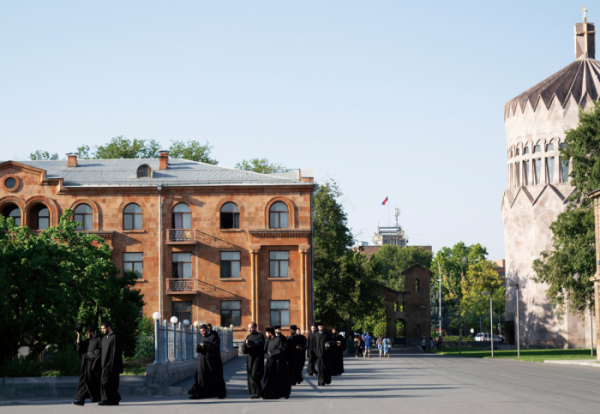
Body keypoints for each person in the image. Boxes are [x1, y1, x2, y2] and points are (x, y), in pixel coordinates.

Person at [189, 324, 227, 400]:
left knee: (216, 376)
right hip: (202, 361)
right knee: (200, 376)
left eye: (203, 331)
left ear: (207, 330)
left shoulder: (213, 336)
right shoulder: (203, 337)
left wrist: (205, 345)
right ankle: (199, 393)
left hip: (212, 362)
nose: (202, 333)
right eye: (200, 331)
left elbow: (215, 347)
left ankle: (221, 394)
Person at [72, 325, 102, 406]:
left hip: (93, 366)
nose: (87, 335)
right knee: (84, 382)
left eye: (88, 333)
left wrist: (89, 355)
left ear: (92, 332)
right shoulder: (87, 341)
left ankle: (99, 399)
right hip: (85, 366)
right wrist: (79, 335)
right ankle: (81, 400)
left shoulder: (98, 340)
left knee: (90, 383)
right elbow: (79, 347)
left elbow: (99, 352)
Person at [261, 326, 291, 399]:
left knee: (276, 379)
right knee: (268, 379)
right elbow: (265, 350)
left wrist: (272, 352)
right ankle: (267, 393)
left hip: (276, 363)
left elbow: (283, 349)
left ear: (270, 333)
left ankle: (277, 394)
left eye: (267, 333)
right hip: (269, 362)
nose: (265, 334)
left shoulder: (278, 340)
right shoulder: (268, 340)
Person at [99, 321, 123, 406]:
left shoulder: (114, 338)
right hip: (104, 366)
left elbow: (115, 353)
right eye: (101, 329)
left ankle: (108, 400)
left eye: (104, 328)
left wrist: (111, 366)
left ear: (108, 327)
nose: (102, 330)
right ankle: (113, 399)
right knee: (104, 383)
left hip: (111, 366)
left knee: (109, 383)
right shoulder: (104, 338)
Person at [241, 322, 265, 399]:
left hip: (258, 358)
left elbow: (260, 343)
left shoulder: (260, 336)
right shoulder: (248, 336)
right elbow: (244, 349)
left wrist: (251, 343)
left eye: (251, 327)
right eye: (248, 328)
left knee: (255, 375)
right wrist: (246, 346)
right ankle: (256, 392)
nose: (249, 329)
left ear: (255, 327)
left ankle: (260, 390)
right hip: (250, 359)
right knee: (251, 376)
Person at [312, 322, 332, 386]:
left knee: (326, 368)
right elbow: (313, 346)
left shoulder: (327, 334)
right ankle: (321, 382)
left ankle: (327, 380)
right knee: (319, 369)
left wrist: (328, 345)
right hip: (318, 355)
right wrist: (313, 354)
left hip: (326, 354)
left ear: (323, 327)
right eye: (320, 327)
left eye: (322, 326)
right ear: (318, 327)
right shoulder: (315, 335)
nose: (321, 328)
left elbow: (331, 343)